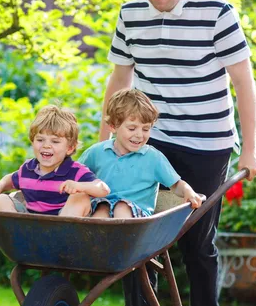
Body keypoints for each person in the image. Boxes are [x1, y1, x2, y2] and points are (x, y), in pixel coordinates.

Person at [97, 0, 256, 306]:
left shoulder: (217, 12)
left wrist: (251, 149)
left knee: (197, 243)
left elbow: (243, 81)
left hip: (208, 143)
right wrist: (106, 143)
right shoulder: (130, 14)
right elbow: (120, 80)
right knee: (137, 239)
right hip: (149, 139)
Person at [79, 89, 202, 221]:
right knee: (101, 209)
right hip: (101, 207)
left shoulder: (153, 158)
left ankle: (122, 241)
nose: (139, 135)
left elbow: (176, 185)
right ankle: (98, 240)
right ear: (113, 126)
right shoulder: (97, 152)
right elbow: (76, 175)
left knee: (121, 206)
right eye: (132, 128)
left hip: (136, 216)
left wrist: (188, 191)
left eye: (146, 129)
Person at [0, 105, 110, 216]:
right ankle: (18, 234)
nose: (46, 145)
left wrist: (79, 186)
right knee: (0, 199)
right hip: (31, 222)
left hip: (64, 220)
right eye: (40, 140)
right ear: (32, 141)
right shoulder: (28, 168)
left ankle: (61, 235)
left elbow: (103, 189)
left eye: (55, 141)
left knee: (80, 196)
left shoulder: (76, 171)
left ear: (70, 148)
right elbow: (11, 179)